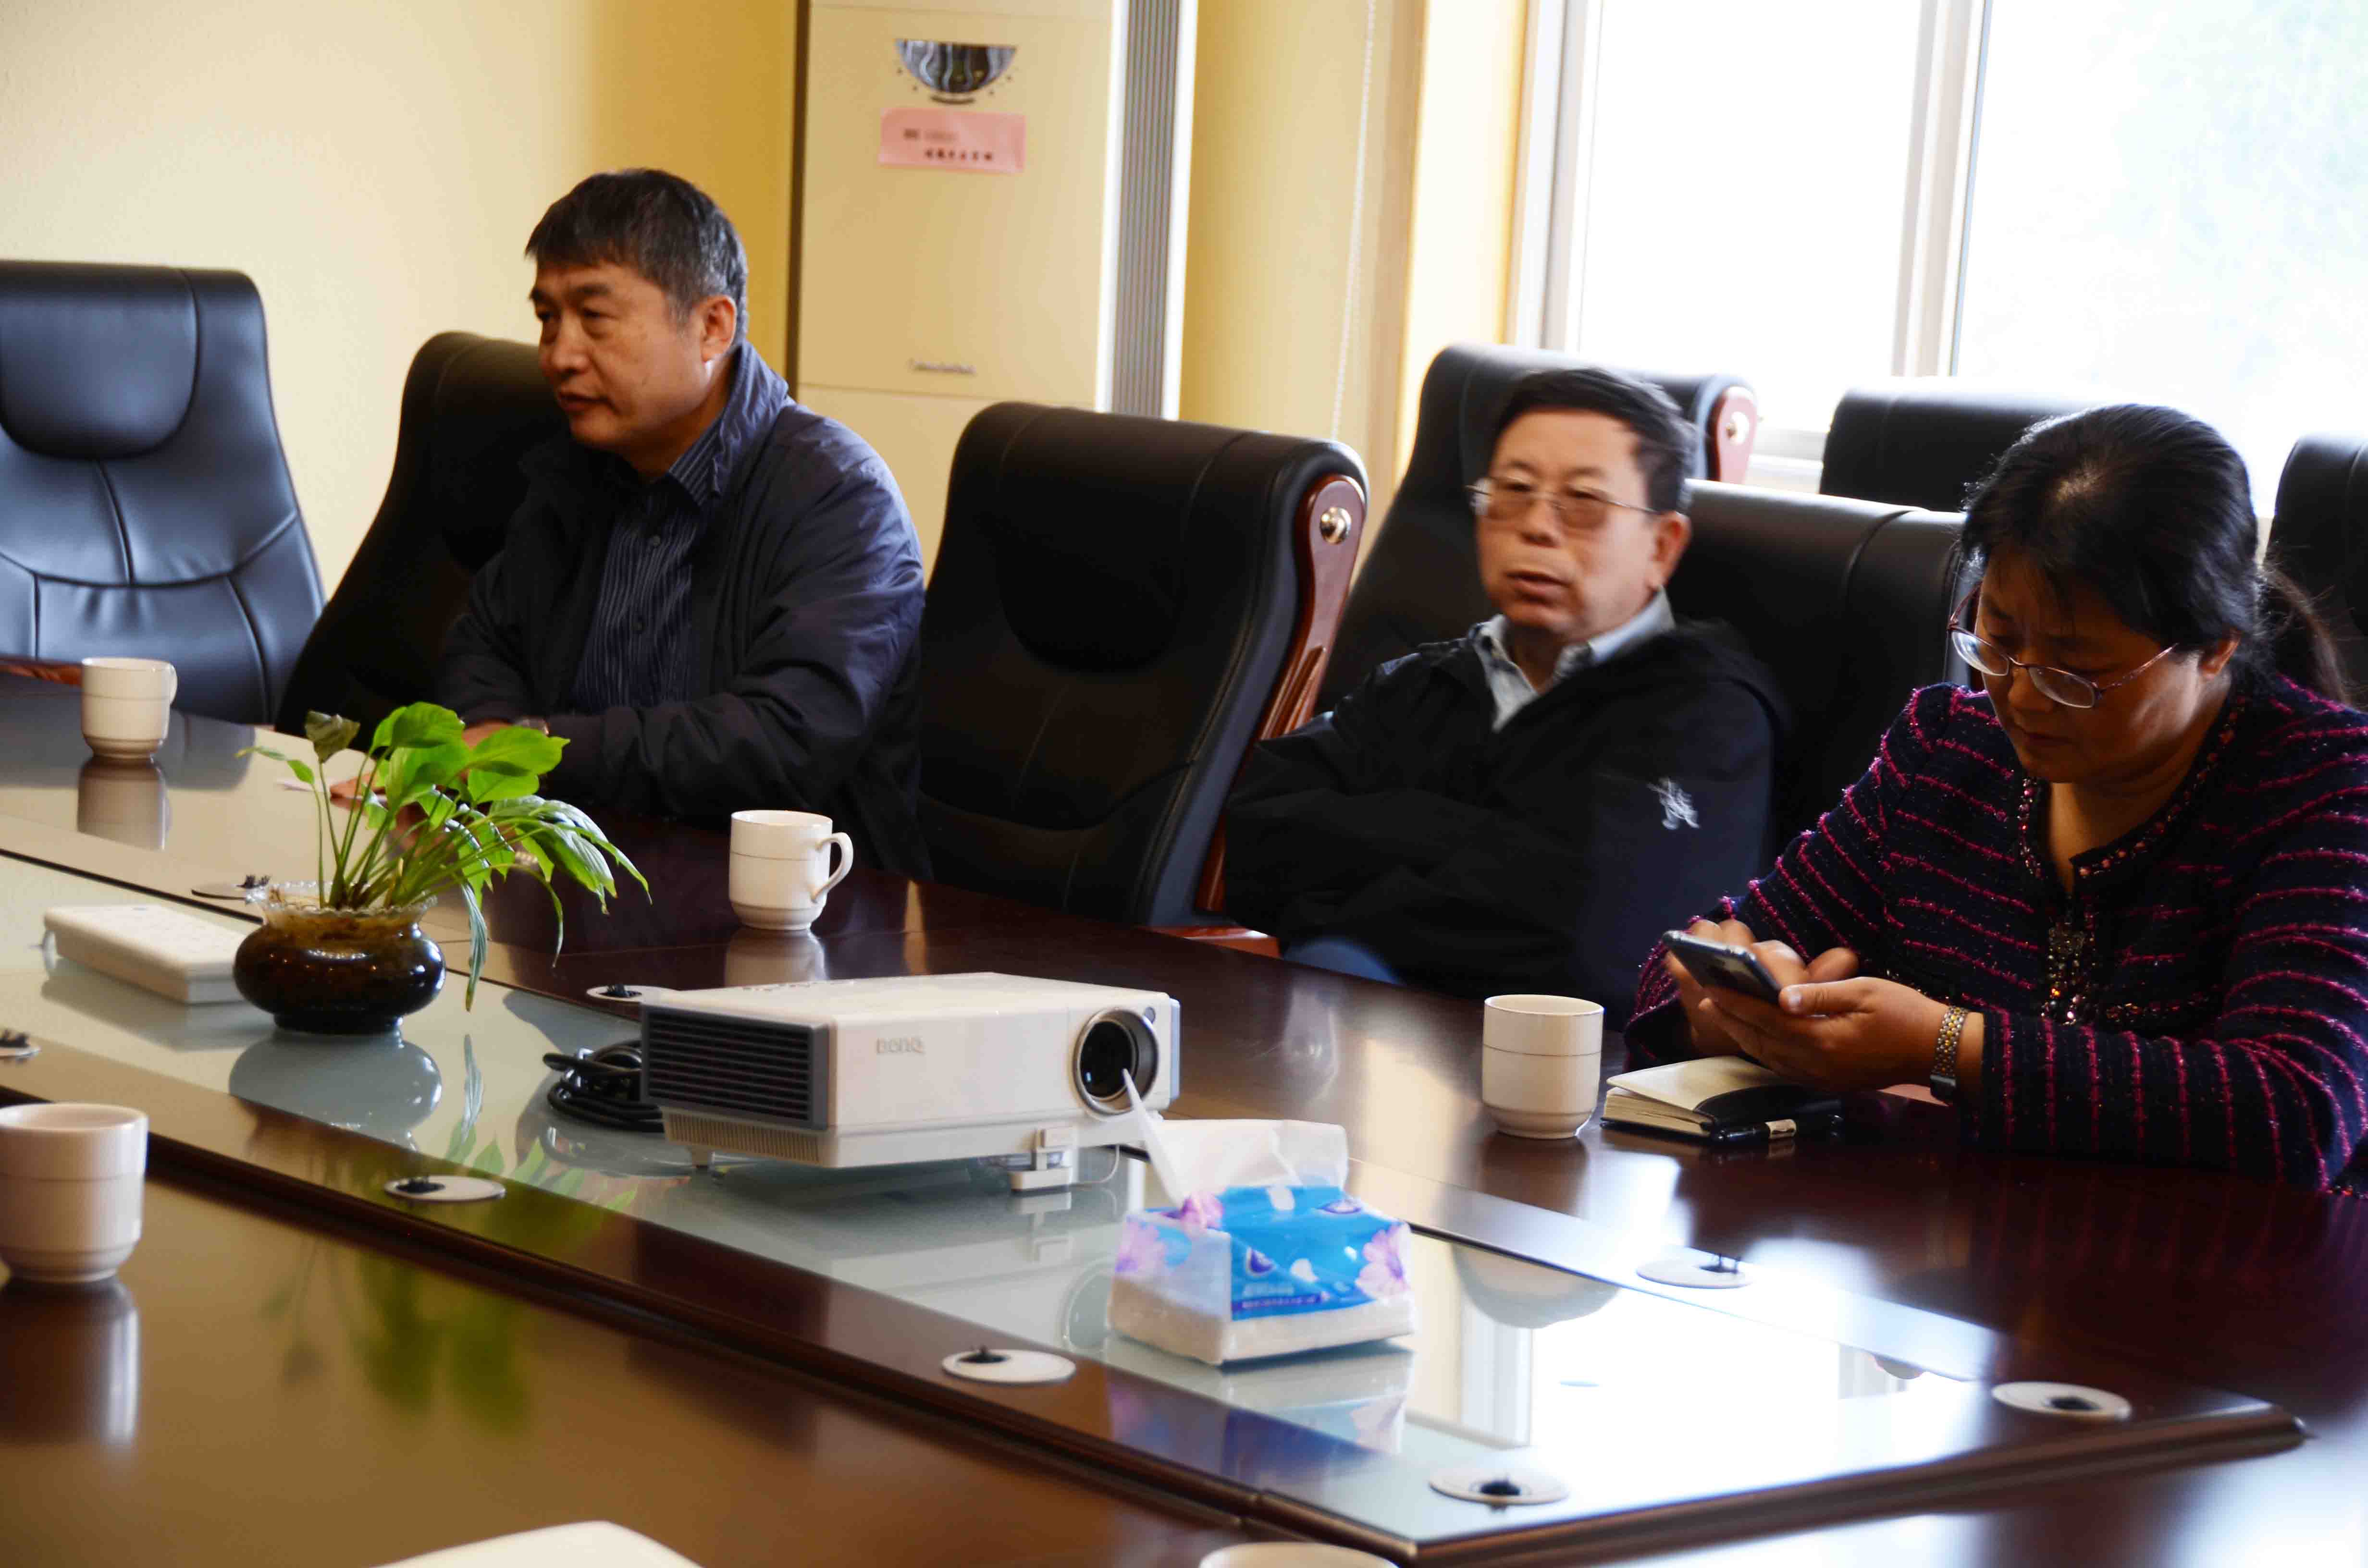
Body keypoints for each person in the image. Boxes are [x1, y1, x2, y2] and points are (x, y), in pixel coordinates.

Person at [1632, 404, 2368, 1193]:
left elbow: (2300, 1110)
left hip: (2211, 1265)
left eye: (2076, 672)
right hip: (1953, 1246)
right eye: (1999, 641)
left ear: (2215, 647)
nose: (2020, 696)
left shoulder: (2326, 787)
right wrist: (1732, 1010)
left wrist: (1948, 1046)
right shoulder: (1948, 751)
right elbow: (1679, 967)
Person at [1223, 368, 1785, 1020]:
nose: (1538, 527)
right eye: (1513, 491)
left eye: (1583, 502)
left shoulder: (1708, 716)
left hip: (1573, 1072)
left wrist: (1378, 845)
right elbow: (1255, 839)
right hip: (1365, 1039)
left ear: (1663, 546)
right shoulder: (1427, 680)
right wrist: (1479, 844)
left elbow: (1598, 947)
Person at [436, 169, 929, 874]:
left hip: (796, 908)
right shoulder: (574, 471)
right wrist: (496, 763)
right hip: (581, 879)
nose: (559, 355)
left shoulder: (839, 497)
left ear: (711, 327)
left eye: (594, 317)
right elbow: (486, 642)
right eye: (547, 318)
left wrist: (532, 750)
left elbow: (786, 739)